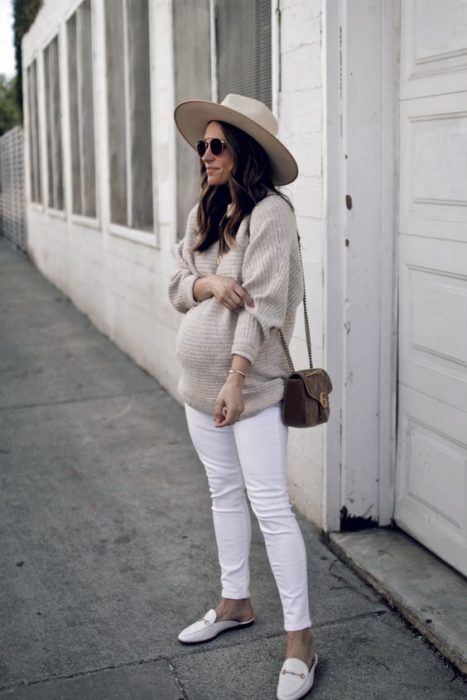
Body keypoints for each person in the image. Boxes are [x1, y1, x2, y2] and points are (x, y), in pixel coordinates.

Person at [168, 94, 318, 700]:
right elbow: (176, 283)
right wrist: (208, 282)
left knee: (270, 507)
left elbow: (267, 305)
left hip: (247, 387)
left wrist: (235, 376)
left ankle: (301, 642)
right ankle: (235, 602)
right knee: (223, 493)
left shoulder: (271, 215)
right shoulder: (207, 209)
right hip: (196, 388)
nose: (204, 155)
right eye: (201, 145)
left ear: (244, 151)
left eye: (217, 145)